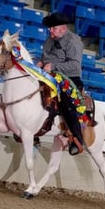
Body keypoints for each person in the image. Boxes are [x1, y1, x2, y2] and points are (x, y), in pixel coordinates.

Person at [37, 12, 86, 155]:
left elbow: (75, 66)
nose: (50, 31)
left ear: (63, 28)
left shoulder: (73, 41)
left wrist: (53, 67)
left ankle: (76, 139)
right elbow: (45, 57)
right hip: (47, 75)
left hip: (69, 78)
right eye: (50, 28)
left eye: (53, 28)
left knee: (65, 101)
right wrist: (41, 63)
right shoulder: (50, 39)